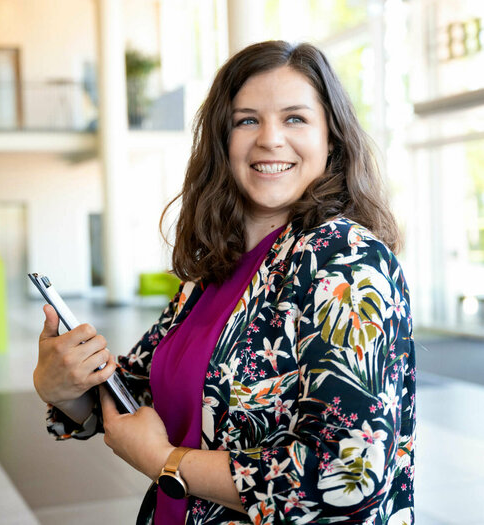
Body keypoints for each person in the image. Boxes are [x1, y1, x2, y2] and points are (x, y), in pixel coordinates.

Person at [34, 41, 416, 525]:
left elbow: (346, 473)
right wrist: (60, 384)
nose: (270, 139)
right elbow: (136, 389)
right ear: (223, 140)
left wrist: (163, 462)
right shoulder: (213, 268)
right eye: (247, 120)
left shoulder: (345, 259)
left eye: (295, 118)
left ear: (332, 140)